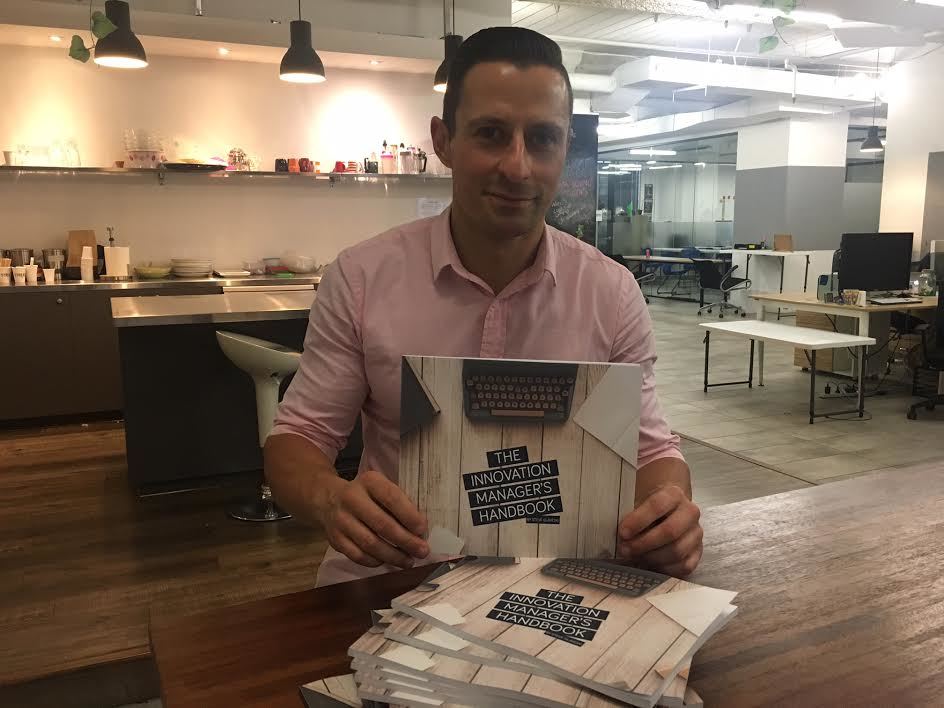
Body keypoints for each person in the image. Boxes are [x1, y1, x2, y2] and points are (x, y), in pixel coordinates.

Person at [265, 26, 703, 587]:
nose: (518, 168)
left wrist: (668, 509)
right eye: (491, 134)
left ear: (565, 147)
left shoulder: (611, 292)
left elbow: (653, 450)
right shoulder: (362, 278)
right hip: (396, 575)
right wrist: (332, 501)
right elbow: (298, 437)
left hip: (561, 581)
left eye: (543, 139)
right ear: (442, 141)